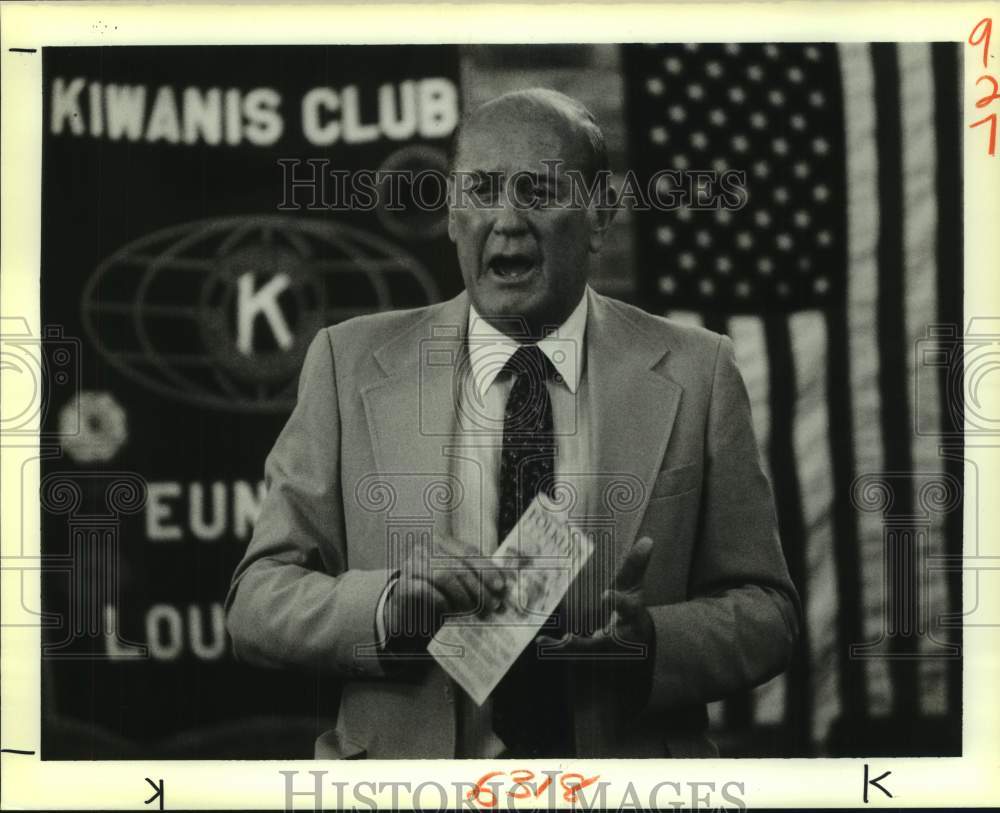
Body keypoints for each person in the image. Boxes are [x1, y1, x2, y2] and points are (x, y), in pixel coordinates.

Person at [225, 88, 800, 759]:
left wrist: (651, 643)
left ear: (600, 213)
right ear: (449, 214)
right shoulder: (346, 364)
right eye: (482, 190)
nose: (507, 218)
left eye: (539, 189)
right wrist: (388, 608)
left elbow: (769, 611)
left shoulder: (699, 372)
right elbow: (255, 605)